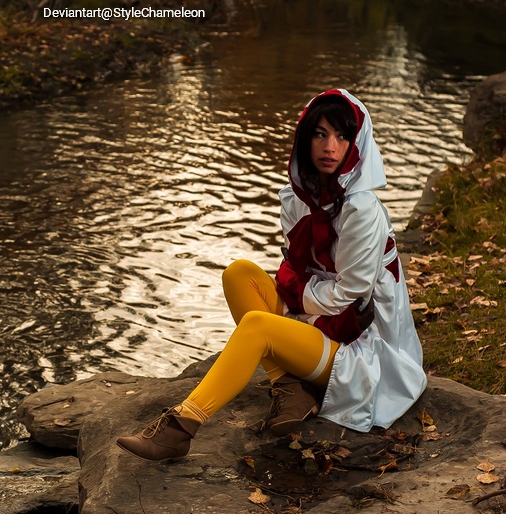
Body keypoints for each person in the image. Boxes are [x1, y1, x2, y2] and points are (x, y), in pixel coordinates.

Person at [116, 89, 428, 461]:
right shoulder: (297, 197)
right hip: (319, 319)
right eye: (320, 134)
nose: (330, 146)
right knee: (239, 273)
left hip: (363, 348)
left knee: (258, 326)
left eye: (343, 136)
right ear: (304, 138)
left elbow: (351, 296)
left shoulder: (362, 208)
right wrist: (297, 302)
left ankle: (180, 427)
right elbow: (296, 270)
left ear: (357, 144)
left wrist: (296, 308)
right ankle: (291, 389)